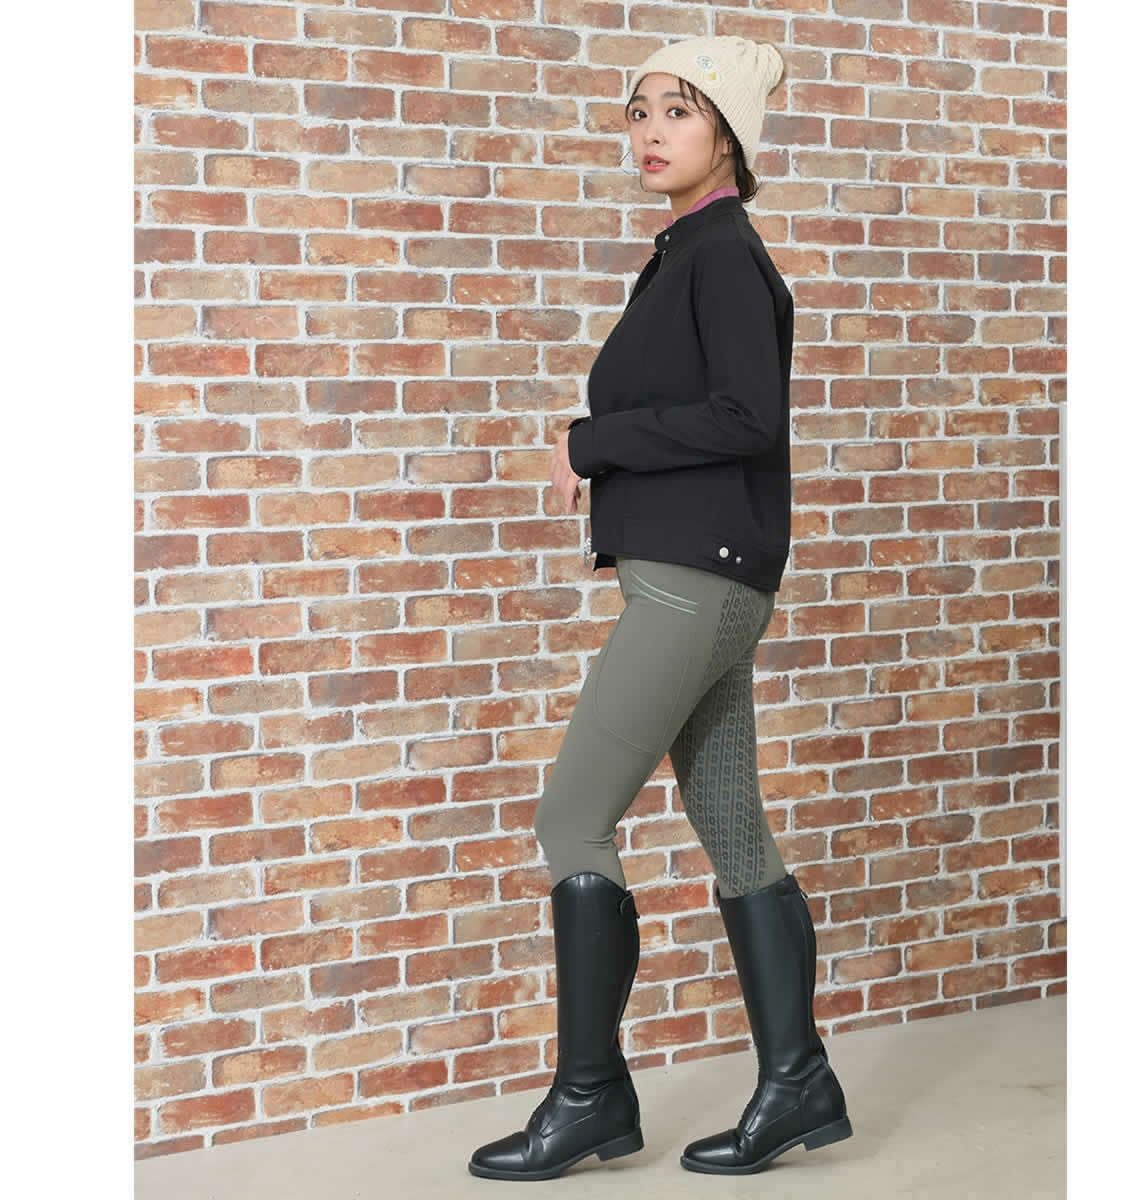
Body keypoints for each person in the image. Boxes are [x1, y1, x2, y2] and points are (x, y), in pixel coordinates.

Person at [467, 34, 854, 1181]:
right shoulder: (688, 251)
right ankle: (799, 1083)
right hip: (705, 578)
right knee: (734, 829)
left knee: (572, 819)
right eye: (637, 111)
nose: (648, 131)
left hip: (695, 582)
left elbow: (747, 417)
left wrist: (594, 441)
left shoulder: (721, 256)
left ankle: (590, 1097)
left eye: (678, 111)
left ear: (728, 135)